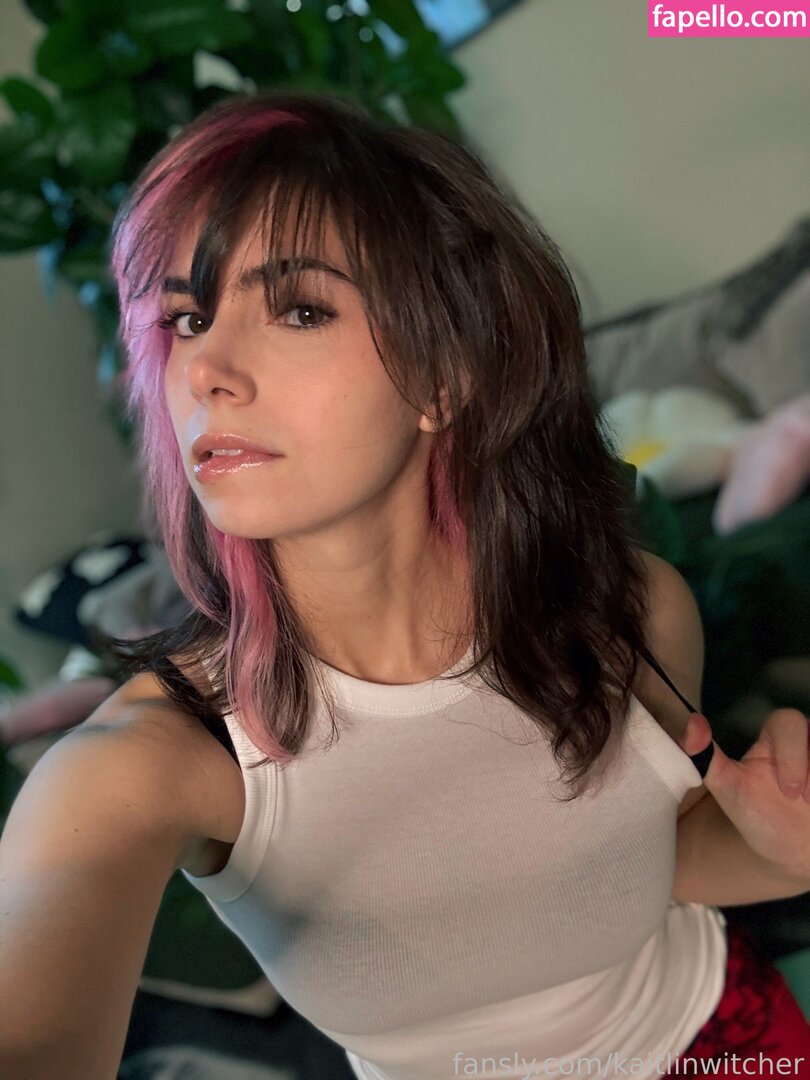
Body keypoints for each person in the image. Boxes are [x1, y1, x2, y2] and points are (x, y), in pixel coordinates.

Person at [1, 91, 808, 1080]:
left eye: (299, 309)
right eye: (186, 318)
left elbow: (650, 856)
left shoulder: (630, 611)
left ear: (444, 376)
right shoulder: (146, 767)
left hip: (730, 1045)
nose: (203, 367)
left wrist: (781, 850)